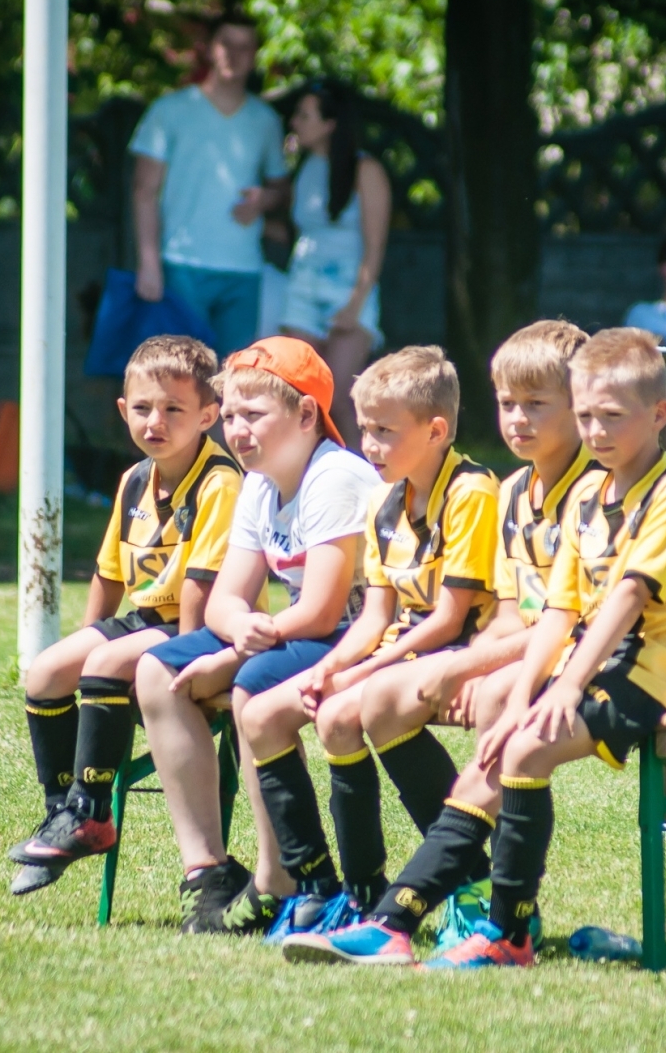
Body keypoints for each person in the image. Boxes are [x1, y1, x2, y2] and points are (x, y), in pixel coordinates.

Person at [287, 327, 666, 968]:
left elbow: (626, 599)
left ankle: (485, 930)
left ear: (659, 414)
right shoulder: (590, 495)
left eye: (610, 417)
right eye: (589, 416)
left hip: (650, 671)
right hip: (583, 661)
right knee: (502, 752)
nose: (596, 431)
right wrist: (520, 696)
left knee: (521, 750)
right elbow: (558, 610)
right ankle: (408, 924)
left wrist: (561, 687)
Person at [235, 346, 500, 942]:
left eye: (385, 431)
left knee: (343, 713)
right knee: (260, 716)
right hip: (406, 652)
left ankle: (469, 882)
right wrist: (330, 668)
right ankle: (331, 890)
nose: (370, 445)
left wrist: (360, 673)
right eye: (365, 429)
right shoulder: (383, 499)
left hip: (460, 652)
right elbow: (376, 615)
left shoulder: (472, 491)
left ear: (436, 431)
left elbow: (449, 619)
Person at [352, 320, 600, 949]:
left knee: (492, 696)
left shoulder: (596, 492)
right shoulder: (515, 490)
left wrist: (466, 666)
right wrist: (472, 659)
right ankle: (466, 883)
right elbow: (513, 614)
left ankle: (503, 910)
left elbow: (573, 621)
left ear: (580, 405)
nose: (517, 419)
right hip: (529, 648)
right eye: (507, 403)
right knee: (382, 700)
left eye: (536, 404)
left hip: (587, 658)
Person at [133, 336, 379, 933]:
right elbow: (226, 599)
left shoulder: (335, 476)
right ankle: (207, 872)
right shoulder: (260, 482)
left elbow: (323, 611)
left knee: (252, 682)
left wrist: (237, 652)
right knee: (156, 670)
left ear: (305, 414)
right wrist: (238, 629)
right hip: (287, 632)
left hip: (355, 636)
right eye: (231, 416)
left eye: (254, 415)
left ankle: (277, 877)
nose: (238, 431)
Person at [4, 337, 241, 895]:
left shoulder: (220, 482)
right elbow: (109, 573)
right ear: (122, 409)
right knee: (45, 672)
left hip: (202, 630)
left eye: (174, 409)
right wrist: (87, 638)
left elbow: (201, 588)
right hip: (145, 621)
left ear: (208, 415)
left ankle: (91, 813)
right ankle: (62, 812)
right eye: (142, 408)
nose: (155, 421)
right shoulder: (134, 478)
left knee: (105, 664)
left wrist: (183, 661)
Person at [131, 12, 290, 357]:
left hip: (244, 267)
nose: (234, 54)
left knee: (235, 378)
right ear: (209, 49)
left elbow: (281, 189)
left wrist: (264, 200)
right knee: (181, 374)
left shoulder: (265, 120)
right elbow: (144, 190)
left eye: (244, 47)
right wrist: (149, 263)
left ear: (255, 55)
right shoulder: (170, 110)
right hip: (181, 264)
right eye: (226, 44)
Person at [280, 82, 392, 444]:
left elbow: (375, 245)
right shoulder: (304, 167)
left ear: (330, 124)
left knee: (341, 398)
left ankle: (364, 472)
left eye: (304, 115)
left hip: (347, 291)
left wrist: (355, 305)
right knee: (303, 397)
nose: (295, 122)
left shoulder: (365, 169)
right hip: (302, 289)